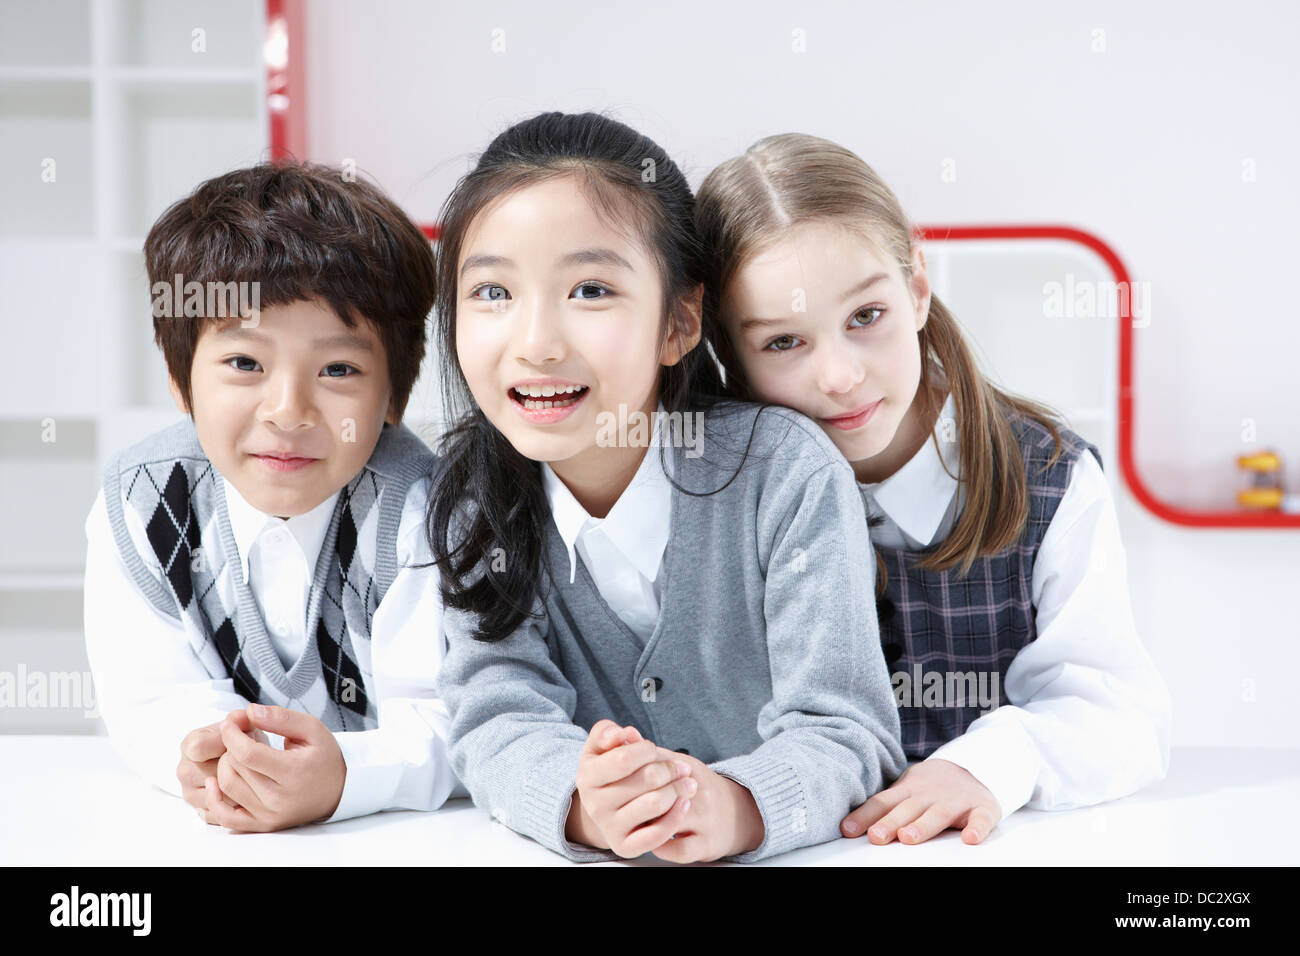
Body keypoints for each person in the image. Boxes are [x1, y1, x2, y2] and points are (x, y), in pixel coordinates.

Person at [427, 111, 906, 863]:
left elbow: (845, 727)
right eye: (492, 293)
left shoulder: (783, 473)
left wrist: (736, 806)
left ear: (680, 322)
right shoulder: (472, 499)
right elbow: (495, 719)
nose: (537, 343)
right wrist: (588, 804)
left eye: (589, 289)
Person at [695, 132, 1173, 846]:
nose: (840, 377)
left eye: (865, 317)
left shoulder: (1050, 477)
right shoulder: (714, 491)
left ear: (917, 288)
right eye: (783, 343)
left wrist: (989, 764)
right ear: (729, 357)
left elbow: (1122, 716)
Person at [84, 161, 461, 831]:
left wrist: (342, 779)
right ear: (180, 378)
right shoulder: (142, 505)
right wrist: (216, 764)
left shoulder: (421, 511)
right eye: (245, 364)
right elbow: (148, 699)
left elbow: (443, 718)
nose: (288, 412)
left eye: (338, 369)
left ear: (394, 397)